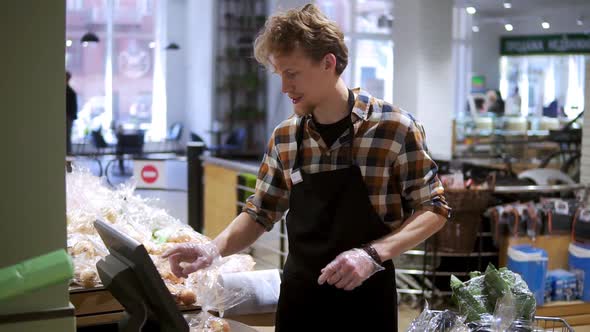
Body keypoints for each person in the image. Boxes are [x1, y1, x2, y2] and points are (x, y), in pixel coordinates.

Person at [163, 4, 450, 331]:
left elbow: (433, 208)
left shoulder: (394, 129)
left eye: (292, 73)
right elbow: (260, 212)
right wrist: (211, 249)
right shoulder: (286, 136)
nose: (284, 87)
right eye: (279, 74)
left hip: (368, 301)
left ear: (328, 63)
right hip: (300, 299)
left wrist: (372, 255)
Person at [66, 71, 78, 155]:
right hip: (69, 118)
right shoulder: (70, 92)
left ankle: (68, 155)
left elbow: (73, 108)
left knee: (67, 138)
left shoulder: (70, 92)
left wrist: (69, 117)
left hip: (68, 118)